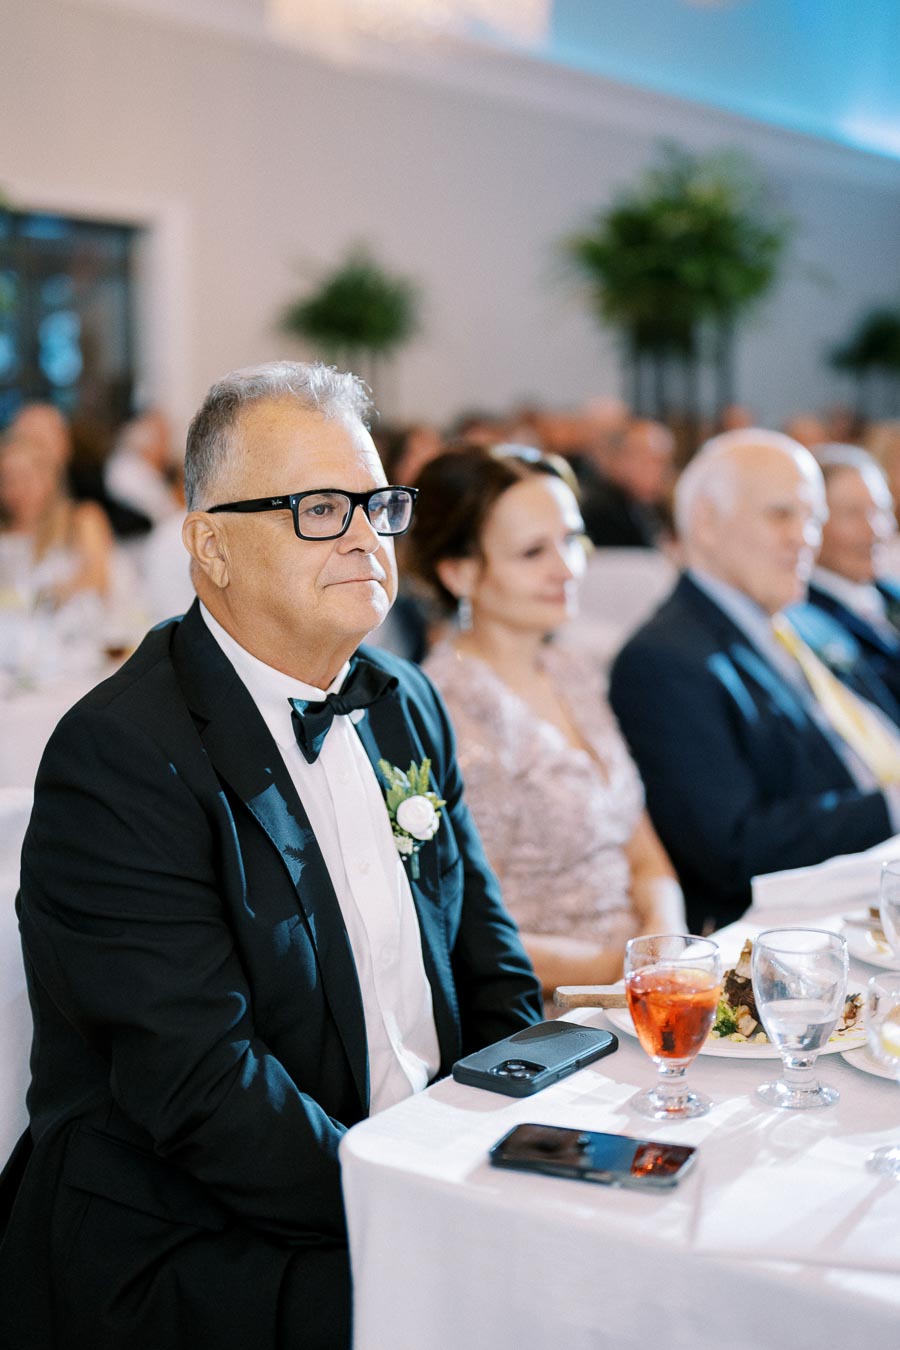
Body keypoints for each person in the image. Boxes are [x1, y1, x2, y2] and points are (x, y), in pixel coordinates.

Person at [0, 362, 542, 1350]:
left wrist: (513, 1141)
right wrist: (422, 1215)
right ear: (210, 546)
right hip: (197, 1238)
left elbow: (490, 968)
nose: (365, 536)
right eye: (320, 508)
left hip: (415, 1175)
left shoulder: (403, 699)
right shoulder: (120, 755)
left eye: (377, 503)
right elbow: (203, 1092)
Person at [406, 444, 684, 997]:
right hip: (543, 1011)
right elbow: (456, 925)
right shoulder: (439, 708)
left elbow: (645, 853)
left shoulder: (570, 670)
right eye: (533, 552)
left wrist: (668, 941)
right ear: (459, 572)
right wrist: (621, 969)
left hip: (644, 980)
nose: (568, 568)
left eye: (572, 539)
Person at [609, 428, 900, 934]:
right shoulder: (663, 659)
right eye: (781, 514)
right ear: (707, 524)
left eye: (812, 518)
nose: (805, 536)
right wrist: (892, 807)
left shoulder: (805, 620)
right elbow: (733, 847)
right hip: (799, 926)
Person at [790, 444, 900, 709]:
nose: (874, 529)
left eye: (881, 511)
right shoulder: (802, 618)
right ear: (812, 523)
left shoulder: (891, 595)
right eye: (853, 514)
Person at [0, 432, 113, 606]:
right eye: (7, 480)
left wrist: (47, 596)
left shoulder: (81, 519)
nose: (17, 488)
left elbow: (99, 580)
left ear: (49, 477)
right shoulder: (5, 535)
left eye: (25, 477)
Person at [574, 418, 675, 549]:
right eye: (648, 461)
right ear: (620, 459)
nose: (660, 471)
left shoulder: (654, 507)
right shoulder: (600, 514)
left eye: (664, 463)